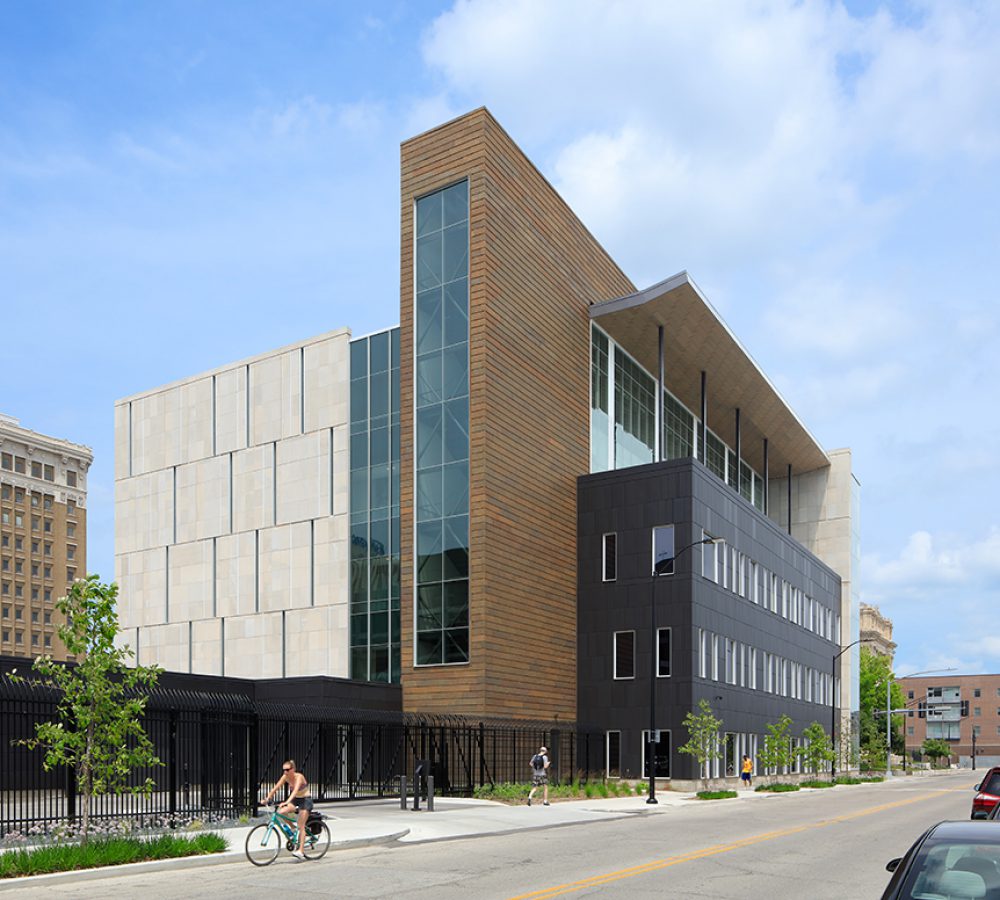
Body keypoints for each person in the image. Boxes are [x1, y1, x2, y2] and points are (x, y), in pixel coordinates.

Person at [263, 759, 313, 860]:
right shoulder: (285, 777)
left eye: (287, 769)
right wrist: (267, 798)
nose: (285, 772)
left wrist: (286, 802)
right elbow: (276, 788)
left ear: (293, 769)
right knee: (281, 812)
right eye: (284, 770)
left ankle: (301, 851)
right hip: (295, 800)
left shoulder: (299, 777)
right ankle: (293, 829)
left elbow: (295, 791)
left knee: (301, 825)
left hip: (305, 800)